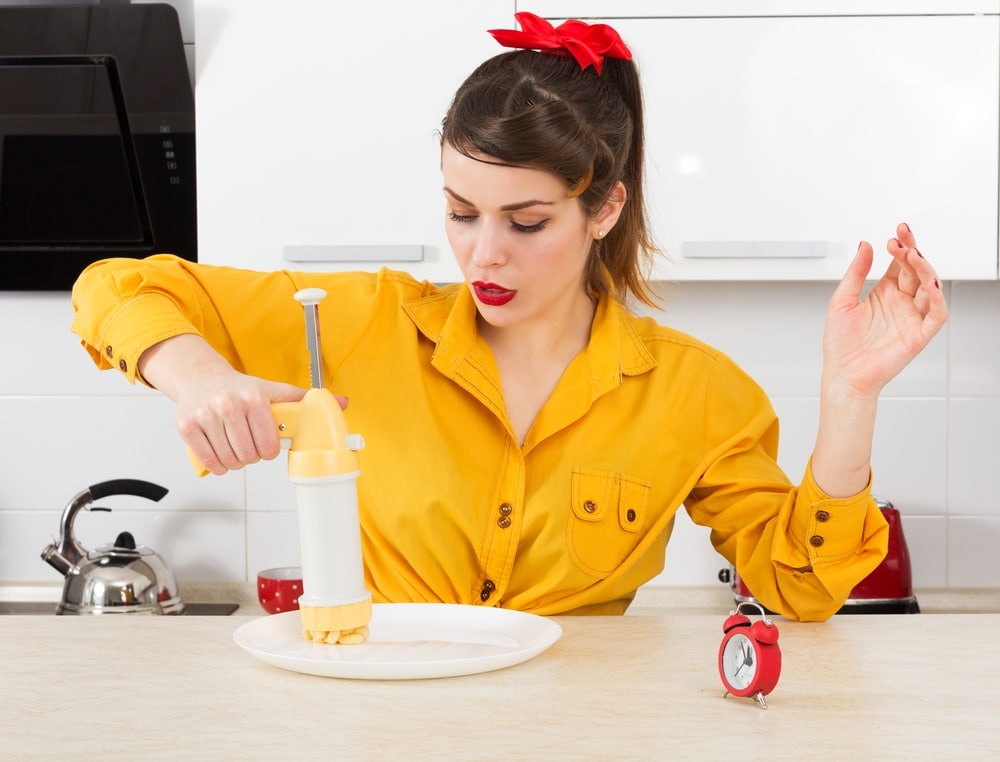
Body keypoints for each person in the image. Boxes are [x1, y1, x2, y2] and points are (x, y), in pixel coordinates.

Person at [70, 12, 947, 620]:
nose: (483, 254)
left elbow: (800, 587)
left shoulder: (696, 394)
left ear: (602, 210)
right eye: (461, 212)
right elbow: (115, 286)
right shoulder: (361, 322)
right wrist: (197, 374)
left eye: (525, 223)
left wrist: (850, 394)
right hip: (382, 725)